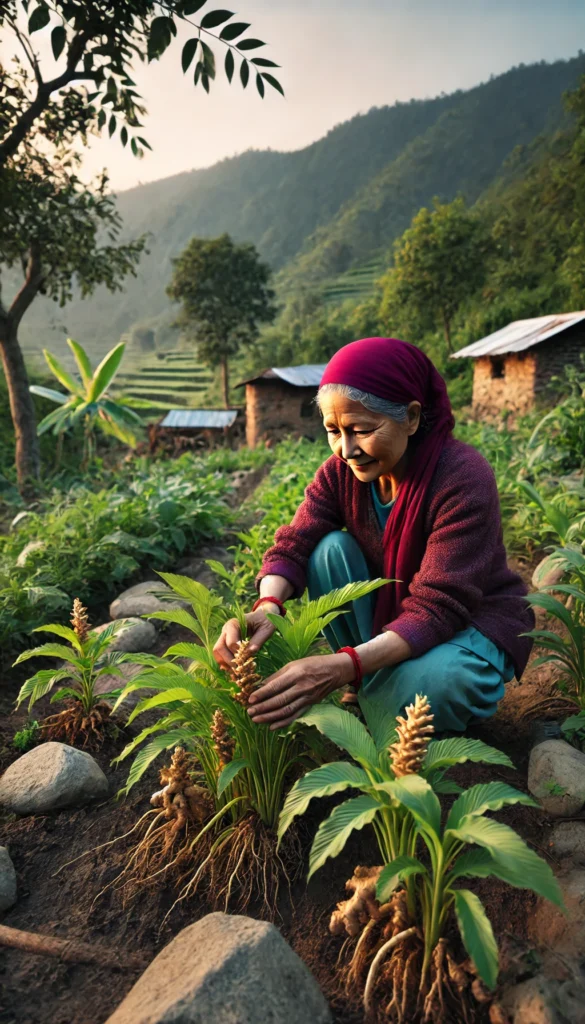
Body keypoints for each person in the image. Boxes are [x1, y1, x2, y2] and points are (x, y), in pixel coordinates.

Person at [213, 337, 534, 733]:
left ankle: (373, 684)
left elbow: (440, 607)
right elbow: (295, 543)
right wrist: (268, 606)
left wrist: (341, 666)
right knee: (326, 550)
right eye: (333, 430)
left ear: (412, 418)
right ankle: (374, 684)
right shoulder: (340, 474)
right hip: (396, 613)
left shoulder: (461, 478)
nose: (346, 450)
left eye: (361, 430)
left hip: (467, 621)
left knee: (439, 684)